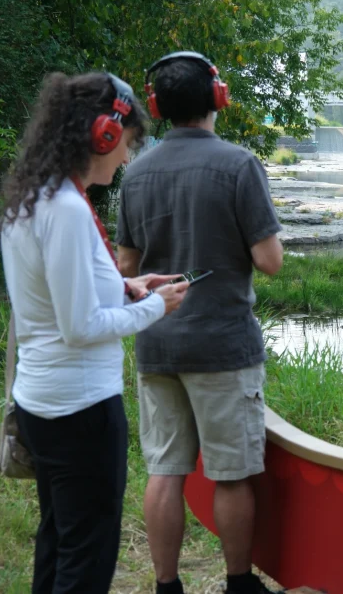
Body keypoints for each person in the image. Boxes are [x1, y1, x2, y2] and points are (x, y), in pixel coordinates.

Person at [0, 71, 189, 594]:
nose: (127, 158)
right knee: (87, 558)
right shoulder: (65, 210)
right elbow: (80, 326)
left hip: (45, 405)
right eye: (126, 144)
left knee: (60, 541)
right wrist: (154, 306)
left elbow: (62, 294)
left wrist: (127, 287)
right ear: (102, 134)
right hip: (80, 412)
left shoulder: (38, 197)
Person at [115, 51, 284, 594]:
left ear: (158, 105)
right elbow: (270, 261)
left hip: (157, 342)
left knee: (165, 470)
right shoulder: (239, 164)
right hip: (223, 345)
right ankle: (238, 584)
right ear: (218, 97)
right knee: (231, 472)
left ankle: (167, 586)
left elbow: (125, 268)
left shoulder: (135, 172)